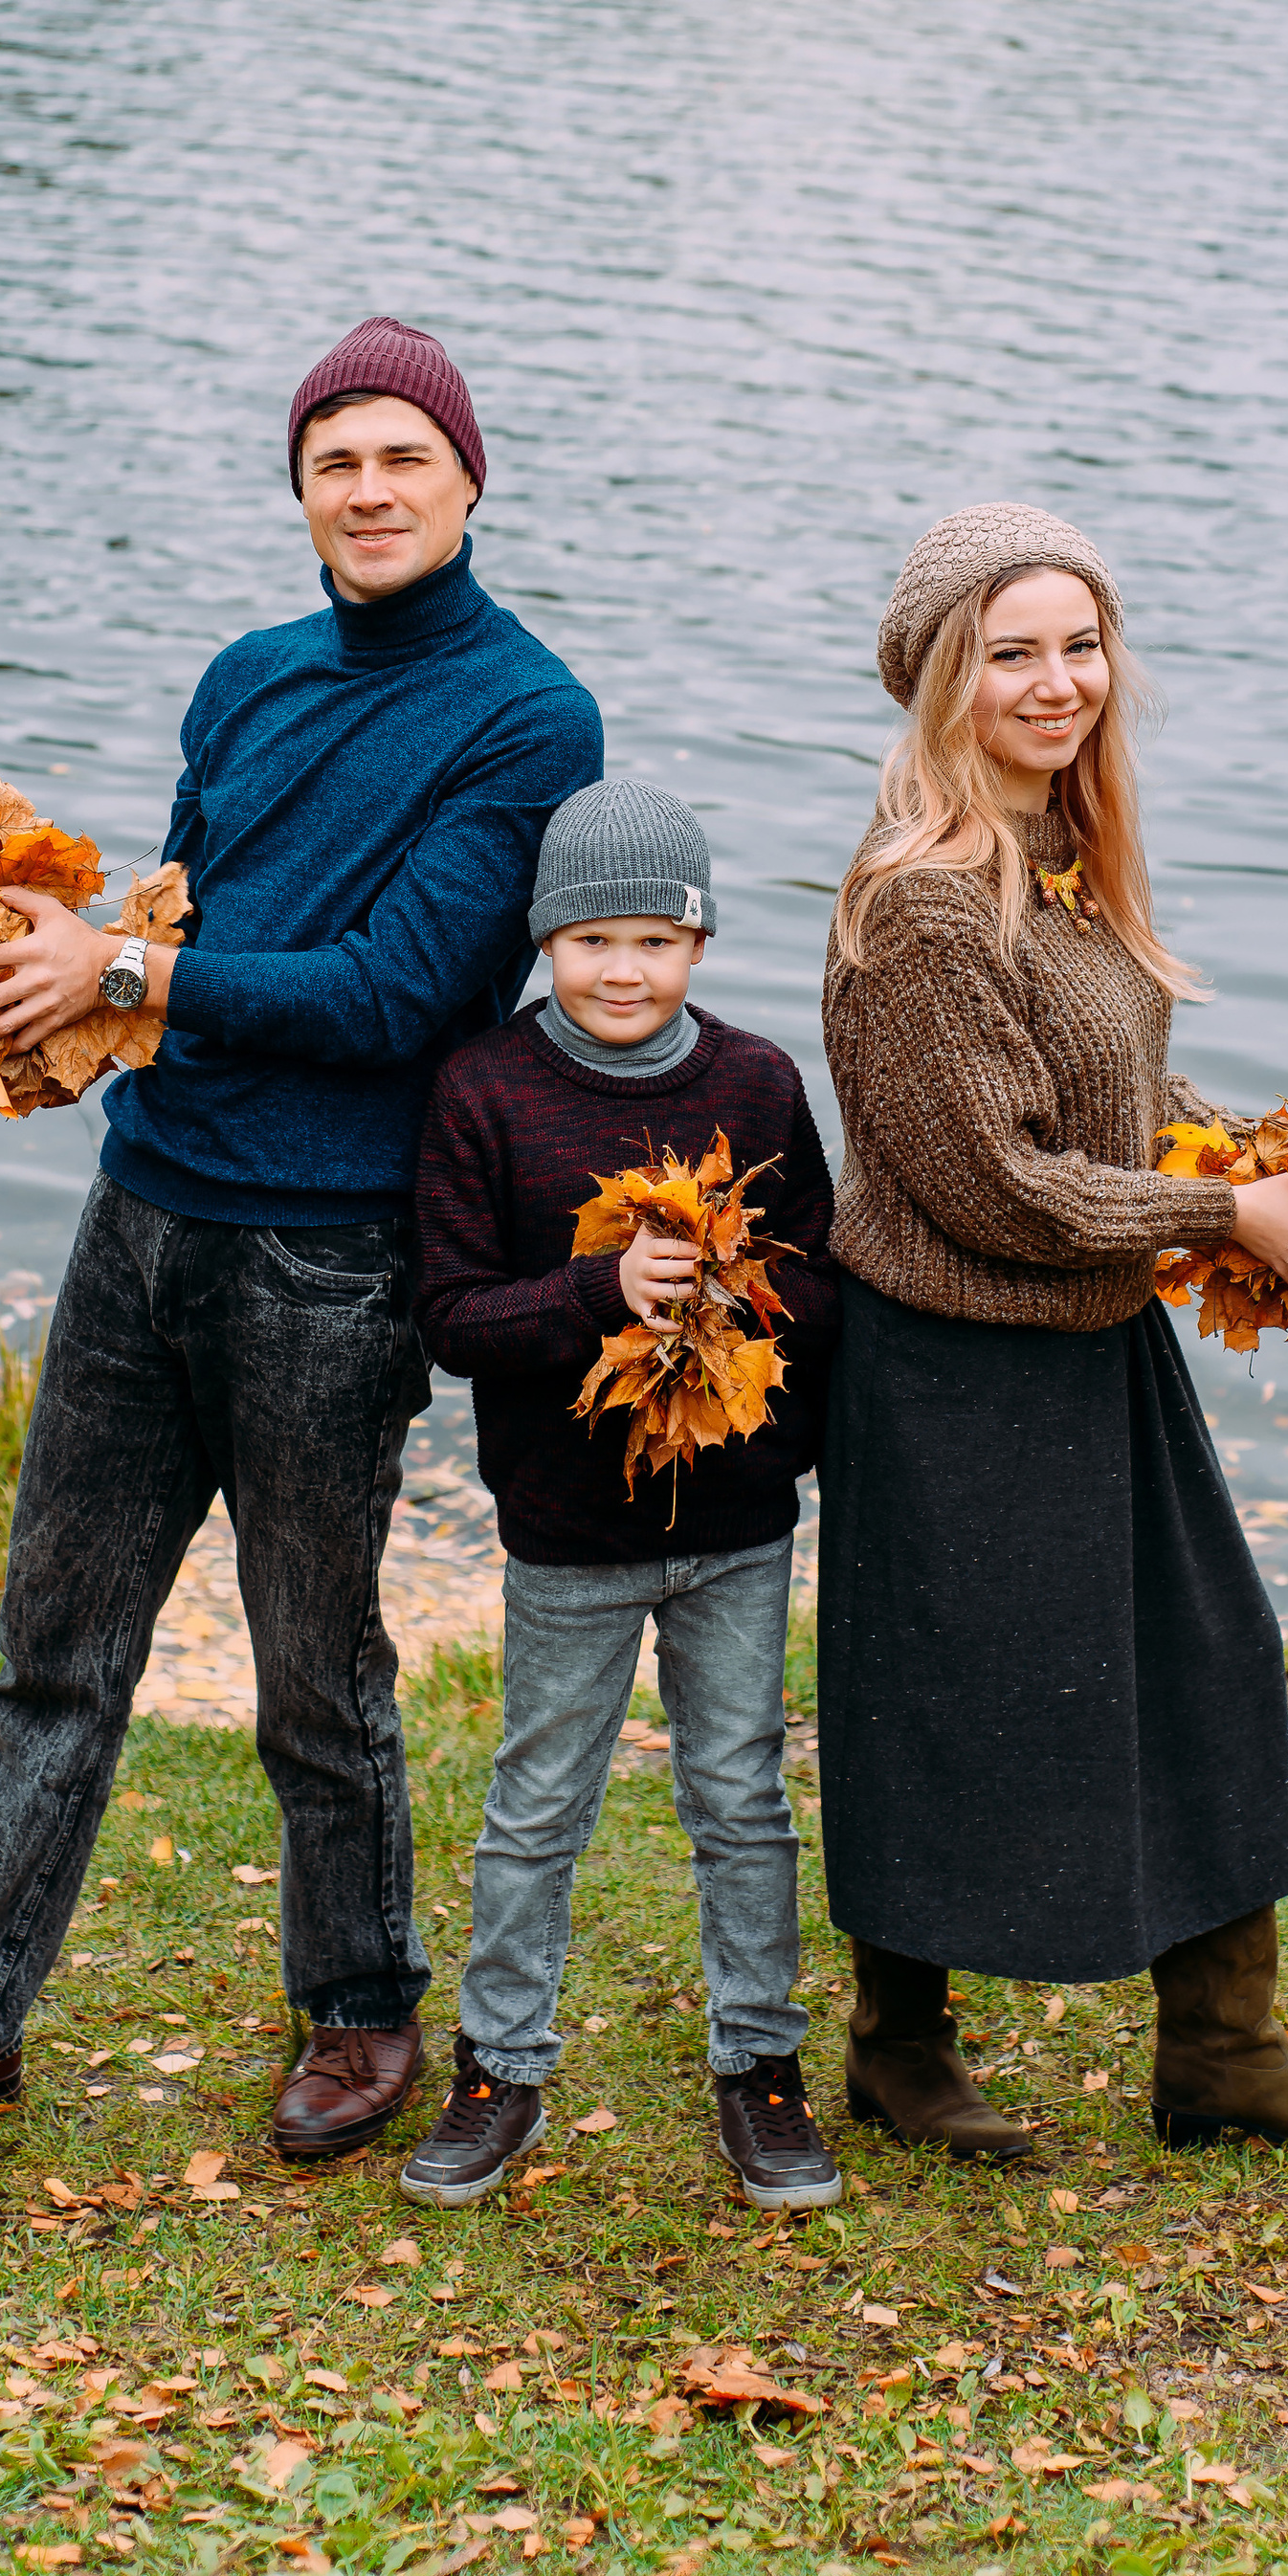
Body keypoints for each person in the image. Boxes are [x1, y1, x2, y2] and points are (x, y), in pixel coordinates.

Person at [0, 319, 603, 2162]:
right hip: (143, 1214)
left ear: (468, 481)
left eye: (400, 458)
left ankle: (360, 2009)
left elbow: (396, 993)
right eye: (332, 460)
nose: (366, 490)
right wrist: (39, 1000)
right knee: (54, 1639)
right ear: (299, 489)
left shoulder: (533, 717)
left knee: (315, 1670)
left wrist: (126, 966)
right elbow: (190, 936)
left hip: (331, 1259)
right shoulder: (246, 677)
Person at [815, 502, 1288, 2163]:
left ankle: (1224, 2050)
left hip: (1092, 1349)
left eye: (1080, 645)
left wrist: (1273, 1174)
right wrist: (1229, 1220)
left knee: (1207, 1659)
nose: (1057, 680)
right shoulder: (924, 906)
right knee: (946, 1698)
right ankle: (899, 2039)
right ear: (946, 677)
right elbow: (999, 1183)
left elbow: (1115, 1100)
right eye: (1014, 651)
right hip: (949, 1371)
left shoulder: (1067, 863)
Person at [404, 778, 844, 2210]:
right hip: (565, 1529)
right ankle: (501, 2069)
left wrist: (738, 1298)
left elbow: (819, 1287)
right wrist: (604, 1287)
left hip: (736, 1527)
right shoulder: (486, 1090)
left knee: (743, 1794)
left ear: (700, 945)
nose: (623, 969)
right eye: (592, 939)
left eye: (654, 939)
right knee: (539, 1801)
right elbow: (455, 1314)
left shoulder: (760, 1086)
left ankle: (762, 2070)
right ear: (545, 942)